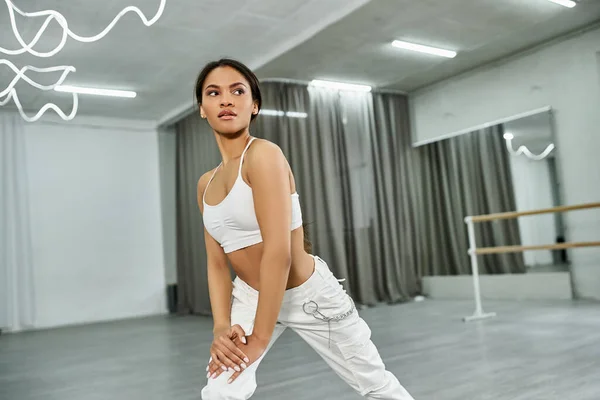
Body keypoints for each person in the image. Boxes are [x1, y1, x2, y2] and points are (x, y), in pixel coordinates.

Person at [195, 58, 415, 400]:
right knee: (219, 391)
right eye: (214, 93)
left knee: (376, 386)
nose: (226, 100)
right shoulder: (205, 184)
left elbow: (278, 253)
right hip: (250, 298)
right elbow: (215, 263)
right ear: (202, 109)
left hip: (308, 296)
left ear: (254, 106)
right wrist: (222, 326)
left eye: (237, 91)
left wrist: (259, 341)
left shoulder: (264, 155)